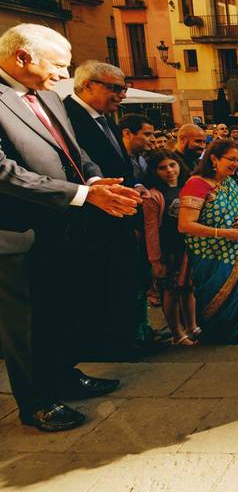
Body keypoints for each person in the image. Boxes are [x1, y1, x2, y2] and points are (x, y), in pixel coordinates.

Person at [0, 24, 142, 431]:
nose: (65, 75)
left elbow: (74, 154)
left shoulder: (50, 96)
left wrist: (96, 181)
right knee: (26, 326)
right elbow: (3, 171)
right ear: (22, 57)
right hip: (17, 234)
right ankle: (37, 402)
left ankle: (63, 374)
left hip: (63, 229)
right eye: (59, 65)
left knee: (62, 309)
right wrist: (79, 195)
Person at [63, 61, 149, 359]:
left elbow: (114, 164)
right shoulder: (66, 117)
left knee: (119, 282)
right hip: (90, 222)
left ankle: (121, 341)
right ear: (87, 85)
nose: (122, 95)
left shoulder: (105, 118)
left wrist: (132, 186)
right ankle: (102, 347)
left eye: (123, 88)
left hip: (117, 217)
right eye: (115, 88)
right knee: (97, 285)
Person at [178, 139, 238, 344]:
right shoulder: (196, 184)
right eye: (231, 159)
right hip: (211, 257)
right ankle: (221, 340)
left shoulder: (230, 181)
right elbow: (185, 225)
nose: (236, 164)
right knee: (217, 299)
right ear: (214, 159)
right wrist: (222, 233)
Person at [142, 149, 197, 346]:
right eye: (162, 168)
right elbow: (150, 229)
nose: (169, 170)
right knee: (171, 292)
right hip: (168, 250)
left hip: (187, 247)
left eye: (172, 165)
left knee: (189, 288)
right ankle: (177, 333)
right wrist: (154, 259)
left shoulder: (186, 187)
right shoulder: (154, 195)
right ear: (155, 171)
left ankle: (192, 326)